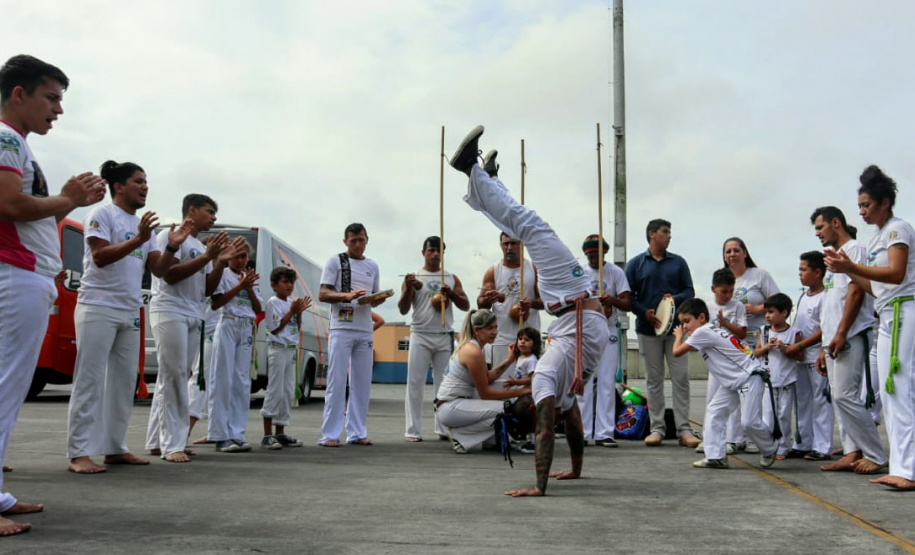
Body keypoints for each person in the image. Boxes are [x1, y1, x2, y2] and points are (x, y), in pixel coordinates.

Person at [449, 125, 609, 497]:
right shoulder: (548, 381)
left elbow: (567, 428)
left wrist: (565, 475)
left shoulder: (550, 383)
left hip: (578, 313)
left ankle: (482, 179)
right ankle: (474, 173)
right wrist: (555, 479)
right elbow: (555, 428)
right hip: (576, 307)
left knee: (528, 230)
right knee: (532, 228)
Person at [0, 54, 106, 537]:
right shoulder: (5, 138)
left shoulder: (16, 144)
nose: (58, 110)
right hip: (14, 274)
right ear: (18, 93)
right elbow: (11, 204)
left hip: (25, 277)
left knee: (11, 387)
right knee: (3, 387)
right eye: (51, 97)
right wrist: (69, 200)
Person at [66, 161, 192, 474]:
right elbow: (100, 257)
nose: (145, 187)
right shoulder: (101, 214)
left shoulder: (144, 229)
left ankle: (114, 448)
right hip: (97, 305)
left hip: (129, 308)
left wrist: (172, 247)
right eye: (138, 181)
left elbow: (159, 271)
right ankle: (79, 452)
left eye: (146, 182)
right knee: (90, 379)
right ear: (119, 186)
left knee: (124, 382)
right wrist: (137, 239)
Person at [825, 165, 915, 490]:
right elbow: (875, 287)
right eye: (860, 206)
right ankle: (903, 466)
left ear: (885, 202)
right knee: (889, 395)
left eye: (867, 205)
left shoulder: (897, 230)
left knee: (901, 389)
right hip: (887, 313)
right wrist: (847, 271)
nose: (861, 211)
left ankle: (908, 471)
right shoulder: (877, 237)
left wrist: (852, 265)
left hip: (905, 311)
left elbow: (896, 274)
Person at [145, 194, 239, 462]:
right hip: (169, 309)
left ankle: (157, 441)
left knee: (174, 376)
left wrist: (218, 261)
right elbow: (169, 275)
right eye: (210, 211)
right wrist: (208, 256)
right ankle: (173, 444)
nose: (214, 218)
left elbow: (207, 289)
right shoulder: (169, 236)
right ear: (192, 210)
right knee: (173, 376)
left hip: (192, 312)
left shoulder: (199, 245)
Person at [811, 206, 886, 474]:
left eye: (820, 228)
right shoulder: (833, 260)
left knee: (846, 395)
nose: (817, 234)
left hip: (852, 335)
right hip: (833, 340)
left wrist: (842, 332)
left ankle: (875, 454)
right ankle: (851, 451)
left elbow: (855, 294)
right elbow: (830, 305)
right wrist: (823, 346)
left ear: (836, 223)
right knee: (839, 396)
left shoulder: (855, 250)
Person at [672, 298, 778, 469]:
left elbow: (677, 352)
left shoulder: (703, 331)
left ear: (701, 317)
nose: (684, 327)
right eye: (682, 323)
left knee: (749, 422)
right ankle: (716, 457)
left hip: (748, 377)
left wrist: (678, 337)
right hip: (734, 382)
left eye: (687, 321)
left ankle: (770, 448)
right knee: (715, 411)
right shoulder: (713, 329)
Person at [625, 219, 699, 447]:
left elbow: (689, 291)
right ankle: (657, 428)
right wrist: (643, 312)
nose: (669, 236)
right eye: (665, 232)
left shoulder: (678, 263)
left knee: (681, 379)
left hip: (676, 330)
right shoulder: (636, 263)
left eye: (670, 232)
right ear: (652, 234)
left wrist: (673, 299)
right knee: (654, 381)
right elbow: (628, 297)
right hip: (647, 330)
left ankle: (684, 430)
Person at [318, 223, 387, 447]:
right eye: (353, 240)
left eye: (361, 240)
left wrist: (379, 299)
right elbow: (323, 293)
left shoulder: (372, 266)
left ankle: (357, 432)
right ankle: (330, 434)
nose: (358, 244)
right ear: (345, 241)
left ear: (367, 239)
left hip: (364, 328)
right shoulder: (335, 261)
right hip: (341, 327)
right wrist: (346, 296)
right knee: (336, 381)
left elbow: (374, 295)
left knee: (362, 383)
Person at [399, 236, 470, 442]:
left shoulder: (450, 277)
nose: (435, 254)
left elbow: (465, 305)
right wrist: (409, 288)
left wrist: (452, 295)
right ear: (423, 253)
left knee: (444, 384)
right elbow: (403, 309)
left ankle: (442, 427)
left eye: (439, 251)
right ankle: (412, 430)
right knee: (415, 382)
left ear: (443, 254)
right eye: (431, 250)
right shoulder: (413, 277)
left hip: (443, 334)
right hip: (420, 333)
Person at [435, 309, 532, 453]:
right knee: (507, 412)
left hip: (453, 404)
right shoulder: (473, 351)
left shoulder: (474, 347)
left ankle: (490, 441)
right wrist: (520, 392)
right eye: (490, 328)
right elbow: (485, 393)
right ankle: (461, 436)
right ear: (477, 330)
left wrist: (509, 360)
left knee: (502, 393)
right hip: (450, 407)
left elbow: (487, 379)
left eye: (496, 327)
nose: (495, 332)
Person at [722, 237, 780, 454]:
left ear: (745, 253)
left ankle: (760, 437)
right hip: (735, 343)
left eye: (736, 250)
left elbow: (779, 301)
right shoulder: (725, 279)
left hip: (759, 340)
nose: (732, 254)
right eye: (728, 251)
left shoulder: (759, 275)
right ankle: (734, 438)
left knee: (759, 392)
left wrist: (757, 310)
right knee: (734, 389)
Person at [208, 239, 262, 453]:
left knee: (242, 381)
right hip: (228, 322)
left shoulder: (249, 278)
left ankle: (237, 433)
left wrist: (248, 287)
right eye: (236, 256)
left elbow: (257, 308)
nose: (240, 261)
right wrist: (240, 286)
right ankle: (220, 435)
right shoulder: (222, 273)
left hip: (246, 327)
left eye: (244, 256)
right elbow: (216, 302)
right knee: (223, 379)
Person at [577, 234, 630, 448]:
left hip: (608, 332)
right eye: (588, 254)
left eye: (595, 254)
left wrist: (612, 300)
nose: (592, 258)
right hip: (587, 332)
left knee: (607, 382)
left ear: (604, 252)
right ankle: (583, 431)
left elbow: (627, 303)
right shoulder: (579, 272)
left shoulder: (615, 272)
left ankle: (605, 432)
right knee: (585, 382)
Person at [783, 252, 829, 461]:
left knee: (821, 402)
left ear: (817, 272)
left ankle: (822, 446)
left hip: (817, 358)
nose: (800, 274)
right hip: (800, 358)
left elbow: (824, 329)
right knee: (802, 402)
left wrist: (801, 345)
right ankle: (802, 443)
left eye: (803, 270)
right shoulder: (802, 297)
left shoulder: (825, 297)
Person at [477, 231, 543, 378]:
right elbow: (481, 304)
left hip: (529, 337)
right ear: (501, 246)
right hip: (502, 338)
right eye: (505, 244)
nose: (509, 248)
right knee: (502, 383)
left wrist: (530, 303)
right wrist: (488, 299)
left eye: (513, 243)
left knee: (529, 384)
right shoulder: (493, 271)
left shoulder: (533, 269)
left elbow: (544, 302)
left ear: (521, 245)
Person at [260, 266, 311, 450]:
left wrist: (298, 313)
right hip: (278, 348)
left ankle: (280, 432)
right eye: (285, 282)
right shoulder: (272, 302)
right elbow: (274, 328)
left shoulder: (291, 302)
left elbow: (295, 328)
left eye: (291, 282)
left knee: (287, 391)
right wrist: (291, 311)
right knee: (275, 390)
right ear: (274, 285)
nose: (289, 285)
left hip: (290, 349)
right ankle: (267, 434)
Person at [697, 268, 747, 455]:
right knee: (712, 400)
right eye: (723, 291)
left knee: (733, 402)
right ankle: (709, 438)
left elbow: (742, 333)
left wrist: (725, 323)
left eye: (731, 291)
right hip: (715, 362)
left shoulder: (738, 307)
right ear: (713, 289)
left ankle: (732, 439)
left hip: (734, 361)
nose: (728, 295)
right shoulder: (706, 307)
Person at [755, 293, 800, 459]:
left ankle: (784, 446)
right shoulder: (764, 331)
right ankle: (769, 446)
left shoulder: (794, 333)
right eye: (766, 312)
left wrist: (784, 348)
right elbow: (757, 353)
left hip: (787, 381)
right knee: (768, 414)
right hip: (768, 381)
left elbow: (799, 356)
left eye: (771, 312)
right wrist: (767, 346)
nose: (767, 315)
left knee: (784, 415)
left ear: (784, 313)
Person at [188, 298, 221, 444]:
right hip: (195, 330)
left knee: (199, 380)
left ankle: (185, 430)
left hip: (212, 333)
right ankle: (214, 431)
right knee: (205, 382)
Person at [504, 327, 541, 454]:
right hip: (520, 392)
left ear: (534, 344)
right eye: (520, 339)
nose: (522, 342)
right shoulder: (520, 357)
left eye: (527, 340)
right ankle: (520, 435)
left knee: (528, 415)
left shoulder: (531, 360)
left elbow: (532, 378)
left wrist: (516, 382)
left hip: (529, 394)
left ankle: (533, 441)